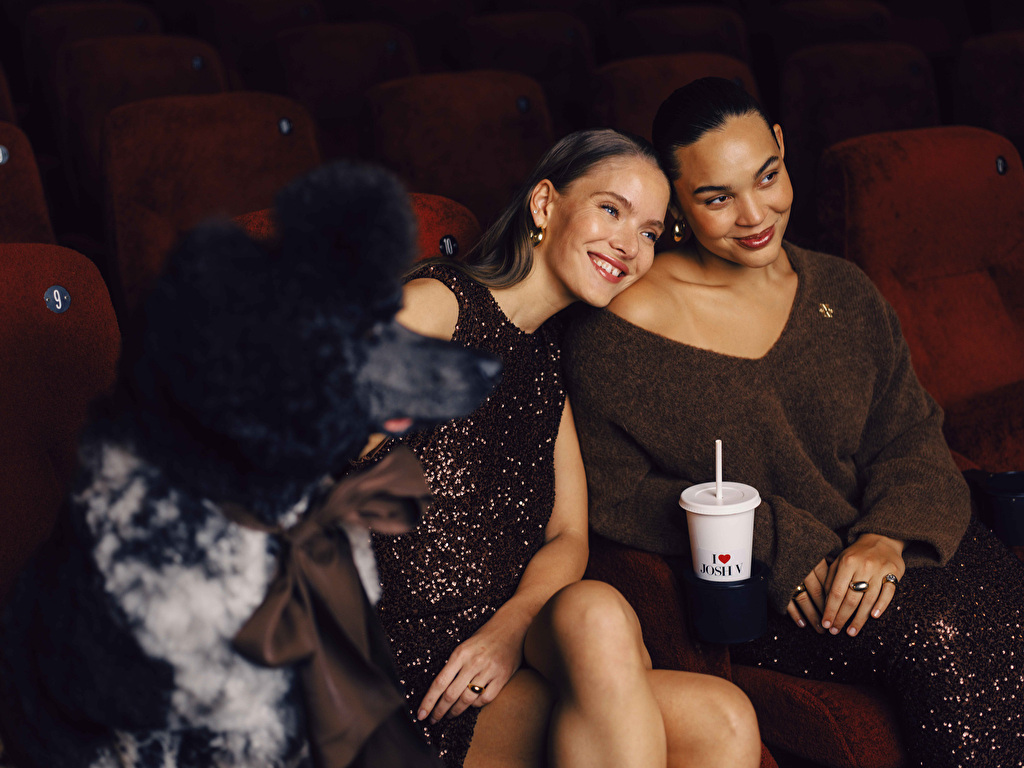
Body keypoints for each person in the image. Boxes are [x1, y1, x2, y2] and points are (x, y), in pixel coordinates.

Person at [563, 77, 1024, 768]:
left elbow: (909, 434)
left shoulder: (844, 290)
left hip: (898, 549)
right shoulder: (619, 326)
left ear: (781, 146)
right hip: (774, 595)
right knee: (943, 632)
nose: (756, 214)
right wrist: (770, 535)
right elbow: (613, 495)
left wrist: (889, 536)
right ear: (674, 201)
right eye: (717, 197)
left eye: (767, 176)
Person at [355, 128, 762, 768]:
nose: (630, 246)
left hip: (486, 664)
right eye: (611, 210)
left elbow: (568, 535)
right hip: (390, 679)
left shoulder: (543, 364)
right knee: (671, 682)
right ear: (545, 204)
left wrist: (509, 629)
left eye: (650, 232)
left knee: (721, 716)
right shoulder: (435, 313)